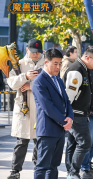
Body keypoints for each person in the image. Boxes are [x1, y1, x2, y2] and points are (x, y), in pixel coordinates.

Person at [6, 39, 45, 179]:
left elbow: (51, 83)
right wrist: (25, 76)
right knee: (21, 142)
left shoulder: (47, 63)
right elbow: (11, 83)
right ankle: (15, 171)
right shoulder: (19, 64)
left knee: (39, 141)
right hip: (24, 109)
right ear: (27, 50)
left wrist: (31, 85)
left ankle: (38, 169)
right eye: (33, 52)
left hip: (40, 108)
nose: (35, 55)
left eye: (38, 52)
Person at [32, 48, 74, 179]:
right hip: (47, 130)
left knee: (54, 165)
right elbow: (48, 107)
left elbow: (66, 101)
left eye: (60, 63)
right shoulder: (39, 81)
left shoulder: (58, 80)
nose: (58, 66)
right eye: (55, 63)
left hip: (60, 129)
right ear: (46, 62)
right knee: (42, 166)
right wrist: (64, 121)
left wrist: (70, 118)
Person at [63, 46, 93, 179]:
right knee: (85, 143)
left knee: (73, 144)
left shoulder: (85, 69)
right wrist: (68, 115)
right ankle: (73, 172)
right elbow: (69, 96)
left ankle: (71, 172)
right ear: (87, 57)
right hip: (75, 114)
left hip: (80, 113)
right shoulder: (77, 70)